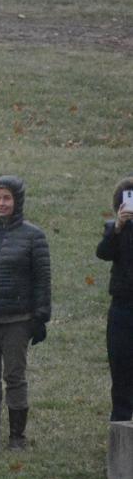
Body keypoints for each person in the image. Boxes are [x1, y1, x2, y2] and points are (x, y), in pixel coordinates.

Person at [0, 175, 51, 449]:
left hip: (17, 318)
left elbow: (42, 280)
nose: (1, 203)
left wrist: (40, 316)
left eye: (7, 198)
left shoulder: (34, 236)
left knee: (14, 376)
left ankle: (17, 436)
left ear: (18, 201)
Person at [95, 176, 133, 424]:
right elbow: (103, 253)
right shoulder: (116, 229)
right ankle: (120, 426)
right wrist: (118, 227)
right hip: (122, 307)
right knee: (120, 368)